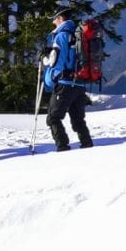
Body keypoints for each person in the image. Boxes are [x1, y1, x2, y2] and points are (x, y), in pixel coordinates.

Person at [41, 8, 93, 151]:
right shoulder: (78, 34)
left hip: (65, 84)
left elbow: (57, 63)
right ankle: (87, 144)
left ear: (61, 18)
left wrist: (45, 59)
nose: (53, 21)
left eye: (54, 18)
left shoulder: (61, 36)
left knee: (53, 118)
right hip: (80, 83)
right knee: (78, 119)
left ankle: (62, 147)